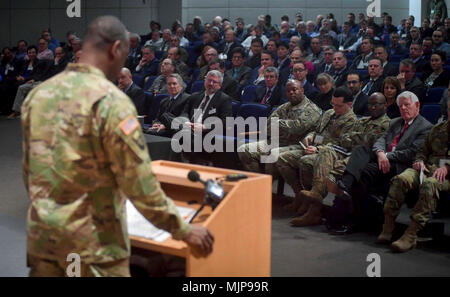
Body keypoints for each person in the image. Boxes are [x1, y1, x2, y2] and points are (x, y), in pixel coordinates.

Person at [22, 16, 214, 277]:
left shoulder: (38, 95)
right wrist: (184, 229)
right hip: (93, 250)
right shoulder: (111, 102)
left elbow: (29, 171)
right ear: (115, 49)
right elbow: (138, 182)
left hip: (44, 242)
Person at [326, 91, 433, 233]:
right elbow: (380, 141)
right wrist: (380, 153)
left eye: (407, 105)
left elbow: (411, 153)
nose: (403, 109)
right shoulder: (395, 122)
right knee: (360, 150)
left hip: (398, 165)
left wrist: (386, 155)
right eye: (400, 106)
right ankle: (346, 186)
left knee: (361, 174)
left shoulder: (425, 127)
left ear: (417, 105)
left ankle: (348, 215)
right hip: (382, 159)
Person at [297, 93, 389, 228]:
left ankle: (314, 210)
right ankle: (316, 196)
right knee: (326, 150)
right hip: (347, 151)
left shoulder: (387, 124)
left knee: (336, 166)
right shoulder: (363, 120)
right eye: (370, 104)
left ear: (385, 105)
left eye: (377, 104)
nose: (373, 107)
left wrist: (356, 138)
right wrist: (357, 138)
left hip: (365, 158)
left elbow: (370, 143)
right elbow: (345, 139)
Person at [378, 97, 449, 252]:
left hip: (446, 175)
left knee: (430, 184)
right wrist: (420, 161)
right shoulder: (438, 129)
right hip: (427, 168)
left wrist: (447, 167)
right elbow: (422, 151)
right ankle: (388, 225)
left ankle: (411, 234)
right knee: (401, 179)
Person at [280, 87, 357, 226]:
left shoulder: (352, 121)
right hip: (313, 148)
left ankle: (313, 207)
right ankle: (300, 195)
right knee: (283, 158)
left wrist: (318, 148)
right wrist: (310, 137)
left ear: (349, 104)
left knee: (306, 161)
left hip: (332, 155)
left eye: (338, 105)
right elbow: (317, 131)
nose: (334, 108)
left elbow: (342, 146)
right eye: (332, 104)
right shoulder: (328, 113)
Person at [238, 79, 321, 175]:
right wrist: (285, 126)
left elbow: (297, 128)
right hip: (276, 141)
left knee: (273, 153)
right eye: (288, 91)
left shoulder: (311, 109)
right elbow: (267, 127)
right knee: (244, 149)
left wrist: (278, 123)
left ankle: (267, 183)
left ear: (302, 90)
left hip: (297, 145)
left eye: (294, 90)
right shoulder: (284, 107)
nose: (291, 93)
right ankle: (258, 180)